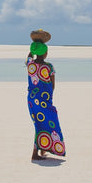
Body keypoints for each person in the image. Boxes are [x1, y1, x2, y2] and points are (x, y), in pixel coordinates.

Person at [26, 29, 66, 161]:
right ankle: (35, 153)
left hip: (32, 99)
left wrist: (34, 47)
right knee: (47, 122)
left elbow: (28, 57)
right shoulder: (49, 67)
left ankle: (43, 149)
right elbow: (53, 85)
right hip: (44, 100)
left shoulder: (30, 65)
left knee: (39, 123)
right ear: (44, 52)